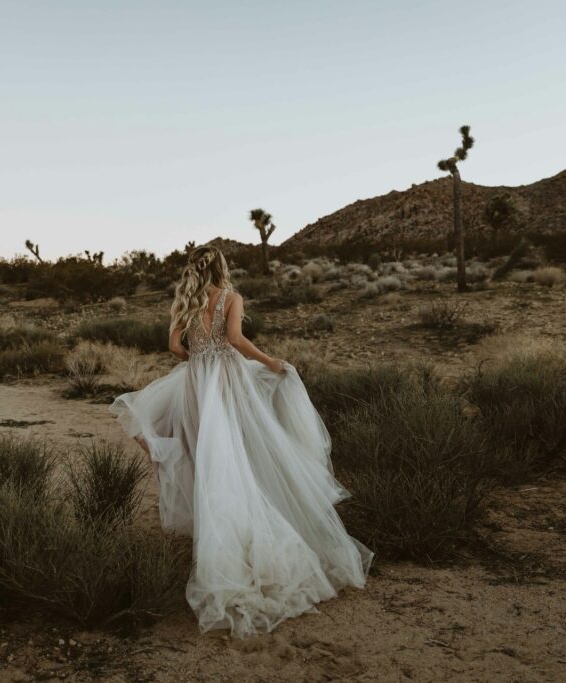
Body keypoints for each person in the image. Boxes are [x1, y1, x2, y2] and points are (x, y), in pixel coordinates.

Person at [110, 245, 372, 638]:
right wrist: (270, 362)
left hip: (198, 384)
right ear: (221, 267)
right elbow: (234, 338)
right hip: (228, 382)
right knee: (237, 452)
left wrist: (198, 360)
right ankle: (244, 538)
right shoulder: (231, 298)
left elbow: (173, 347)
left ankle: (217, 531)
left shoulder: (185, 301)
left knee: (209, 455)